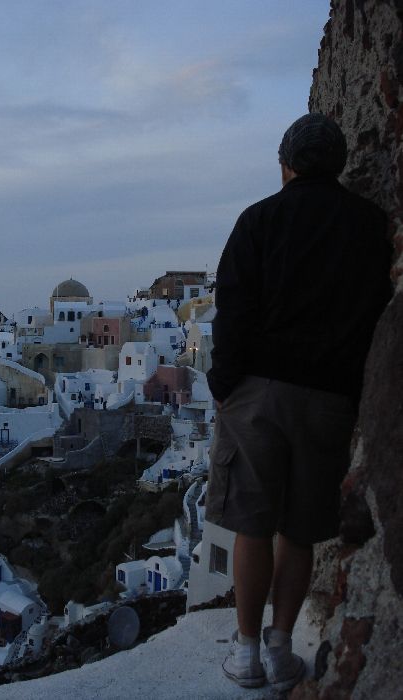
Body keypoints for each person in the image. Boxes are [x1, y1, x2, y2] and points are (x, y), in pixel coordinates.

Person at [205, 113, 392, 693]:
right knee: (300, 531)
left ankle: (245, 655)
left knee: (252, 525)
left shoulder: (258, 220)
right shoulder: (369, 225)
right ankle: (282, 648)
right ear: (336, 165)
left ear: (285, 165)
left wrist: (224, 385)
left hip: (257, 392)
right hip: (330, 400)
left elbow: (232, 310)